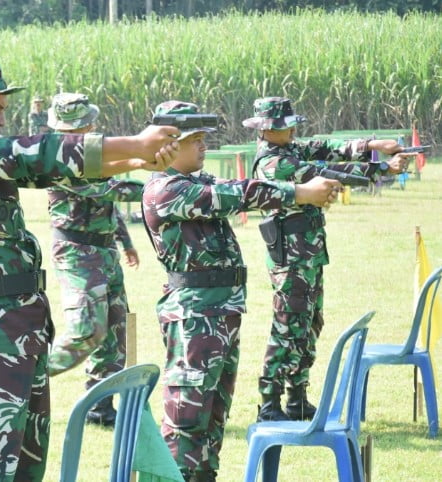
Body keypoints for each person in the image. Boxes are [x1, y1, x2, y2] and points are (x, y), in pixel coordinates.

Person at [0, 58, 180, 481]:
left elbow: (55, 170)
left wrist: (135, 163)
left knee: (24, 466)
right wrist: (134, 144)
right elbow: (35, 153)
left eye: (3, 108)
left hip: (21, 328)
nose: (2, 118)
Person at [142, 100, 342, 482]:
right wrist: (300, 192)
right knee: (187, 419)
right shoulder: (167, 190)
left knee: (214, 416)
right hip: (194, 317)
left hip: (219, 314)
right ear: (168, 144)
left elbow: (240, 188)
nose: (203, 146)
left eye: (203, 139)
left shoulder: (195, 182)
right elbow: (239, 195)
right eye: (195, 139)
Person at [242, 96, 414, 422]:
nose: (292, 129)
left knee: (308, 326)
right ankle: (269, 403)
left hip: (307, 255)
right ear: (266, 130)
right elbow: (325, 170)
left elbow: (326, 147)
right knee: (287, 328)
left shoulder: (289, 149)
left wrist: (373, 144)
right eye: (284, 126)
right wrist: (381, 168)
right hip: (290, 259)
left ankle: (297, 399)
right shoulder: (274, 163)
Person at [44, 92, 142, 427]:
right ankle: (24, 380)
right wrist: (157, 178)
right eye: (73, 129)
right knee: (86, 330)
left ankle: (100, 404)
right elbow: (109, 190)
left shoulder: (95, 157)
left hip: (103, 249)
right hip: (76, 251)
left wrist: (124, 242)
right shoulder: (59, 161)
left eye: (83, 126)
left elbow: (108, 206)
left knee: (113, 329)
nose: (80, 133)